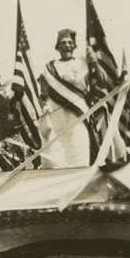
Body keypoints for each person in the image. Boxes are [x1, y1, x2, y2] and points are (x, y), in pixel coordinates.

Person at [38, 29, 101, 169]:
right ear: (58, 46)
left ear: (74, 45)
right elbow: (43, 92)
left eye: (69, 42)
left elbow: (101, 82)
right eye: (63, 43)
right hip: (57, 117)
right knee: (55, 155)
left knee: (78, 152)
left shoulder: (83, 62)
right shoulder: (50, 67)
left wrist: (95, 62)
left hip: (78, 115)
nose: (66, 45)